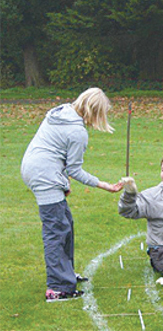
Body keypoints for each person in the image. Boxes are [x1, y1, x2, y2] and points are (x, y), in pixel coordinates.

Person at [20, 88, 123, 302]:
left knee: (65, 222)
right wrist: (104, 185)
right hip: (43, 174)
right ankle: (58, 288)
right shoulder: (77, 132)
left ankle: (65, 274)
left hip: (36, 167)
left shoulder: (60, 112)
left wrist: (61, 179)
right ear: (94, 112)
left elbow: (56, 152)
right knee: (56, 229)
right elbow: (75, 170)